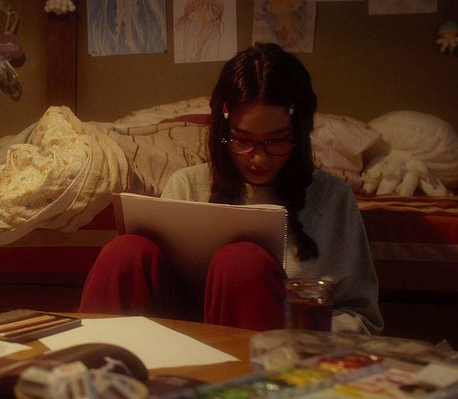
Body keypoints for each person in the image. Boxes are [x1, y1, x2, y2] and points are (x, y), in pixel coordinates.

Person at [79, 43, 383, 334]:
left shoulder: (333, 198)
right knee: (125, 251)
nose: (259, 158)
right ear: (223, 132)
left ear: (300, 133)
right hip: (175, 338)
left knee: (242, 263)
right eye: (242, 140)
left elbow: (363, 319)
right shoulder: (188, 185)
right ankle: (92, 364)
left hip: (274, 347)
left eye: (277, 140)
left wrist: (302, 324)